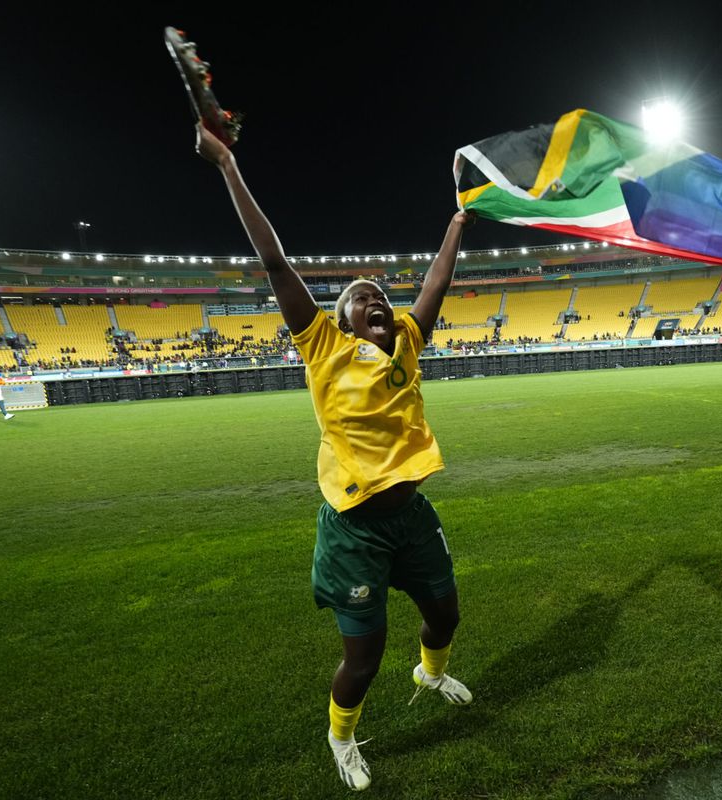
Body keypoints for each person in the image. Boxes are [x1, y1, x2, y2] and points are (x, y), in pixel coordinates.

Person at [195, 122, 473, 792]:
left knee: (445, 614)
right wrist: (229, 166)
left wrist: (460, 220)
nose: (374, 300)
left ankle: (430, 672)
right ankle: (341, 735)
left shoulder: (407, 340)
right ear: (342, 319)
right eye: (359, 300)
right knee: (365, 654)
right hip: (354, 528)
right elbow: (274, 262)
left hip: (411, 514)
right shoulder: (322, 346)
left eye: (380, 296)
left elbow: (436, 279)